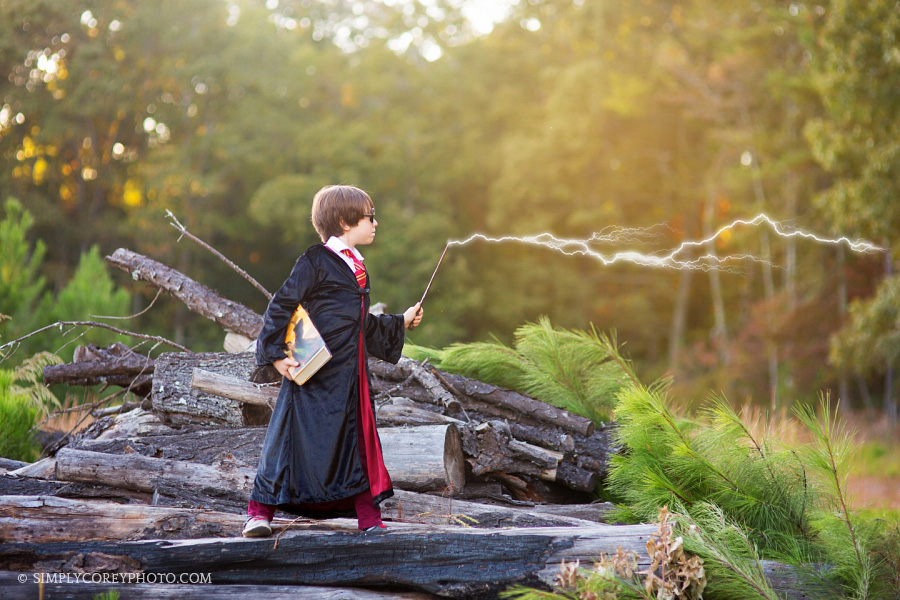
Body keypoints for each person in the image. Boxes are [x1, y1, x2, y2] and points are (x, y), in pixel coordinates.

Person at [242, 184, 423, 537]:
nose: (375, 223)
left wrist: (400, 321)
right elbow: (281, 304)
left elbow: (363, 325)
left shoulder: (358, 268)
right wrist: (275, 356)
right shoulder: (315, 261)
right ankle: (257, 514)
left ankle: (369, 519)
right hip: (313, 373)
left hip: (350, 378)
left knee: (358, 443)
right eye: (369, 217)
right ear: (344, 221)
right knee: (287, 442)